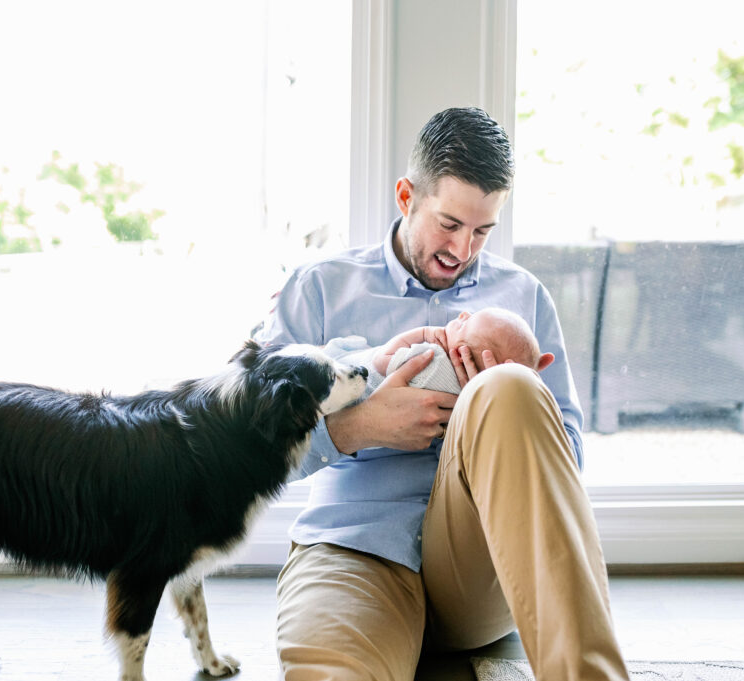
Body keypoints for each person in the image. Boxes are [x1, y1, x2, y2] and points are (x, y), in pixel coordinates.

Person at [254, 107, 629, 681]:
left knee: (507, 388)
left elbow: (566, 462)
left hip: (481, 568)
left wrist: (490, 414)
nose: (464, 249)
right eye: (449, 224)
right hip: (355, 549)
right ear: (406, 196)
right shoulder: (319, 288)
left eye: (482, 231)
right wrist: (361, 426)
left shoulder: (523, 298)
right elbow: (249, 451)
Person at [332, 307, 556, 397]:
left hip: (341, 375)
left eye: (465, 324)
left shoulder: (434, 361)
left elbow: (382, 361)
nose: (462, 315)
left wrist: (423, 333)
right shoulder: (463, 393)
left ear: (460, 354)